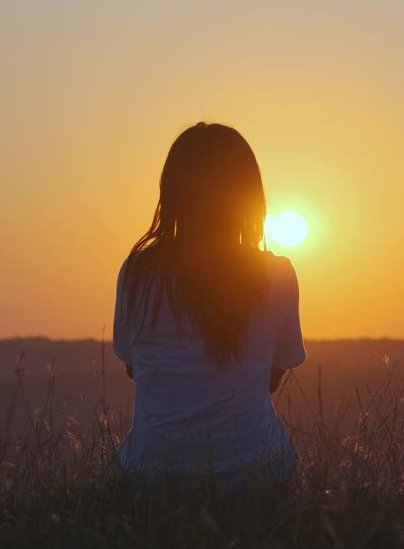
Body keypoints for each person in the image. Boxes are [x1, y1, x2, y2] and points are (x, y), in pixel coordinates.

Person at [113, 122, 306, 491]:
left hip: (152, 478)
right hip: (254, 474)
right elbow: (273, 375)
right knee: (283, 452)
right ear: (249, 197)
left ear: (171, 193)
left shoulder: (137, 273)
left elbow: (134, 368)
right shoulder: (277, 276)